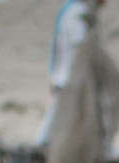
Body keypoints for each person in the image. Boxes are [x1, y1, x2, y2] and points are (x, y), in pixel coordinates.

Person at [36, 0, 104, 148]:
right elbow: (80, 44)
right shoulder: (77, 12)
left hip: (67, 77)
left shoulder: (72, 10)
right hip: (70, 79)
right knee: (56, 122)